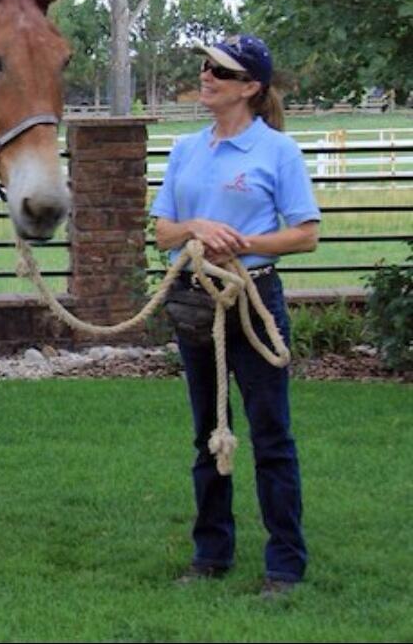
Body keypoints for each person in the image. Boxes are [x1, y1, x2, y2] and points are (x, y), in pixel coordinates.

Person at [150, 34, 320, 597]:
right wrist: (196, 228)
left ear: (249, 88)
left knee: (271, 436)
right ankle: (211, 553)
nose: (205, 76)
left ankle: (285, 563)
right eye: (204, 66)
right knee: (207, 435)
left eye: (219, 71)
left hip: (252, 300)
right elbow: (162, 233)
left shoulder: (278, 153)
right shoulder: (185, 150)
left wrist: (243, 242)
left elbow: (305, 236)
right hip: (196, 302)